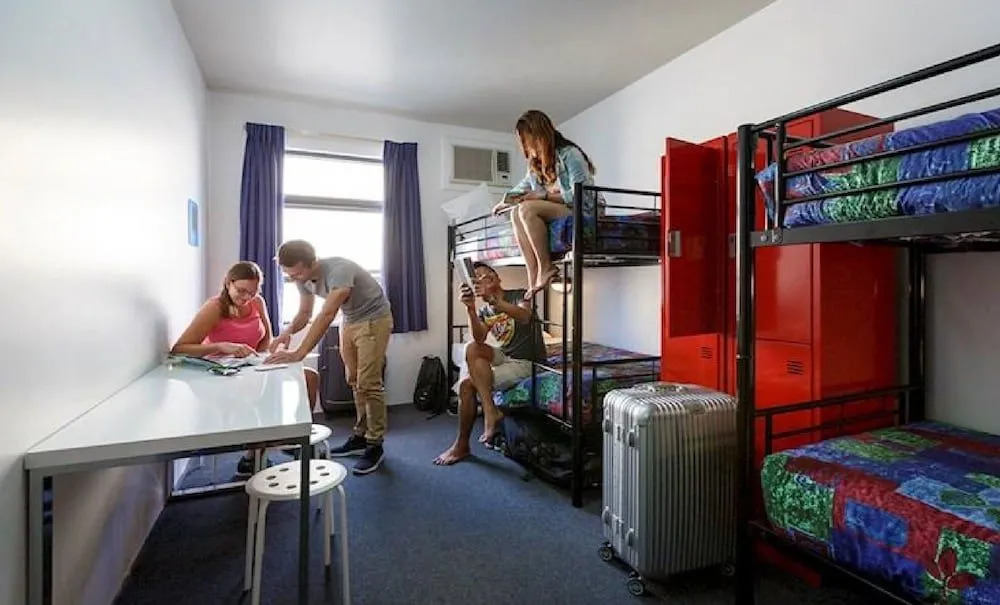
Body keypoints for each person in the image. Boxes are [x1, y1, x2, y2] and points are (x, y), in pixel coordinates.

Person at [170, 261, 320, 476]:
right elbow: (179, 349)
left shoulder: (257, 302)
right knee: (258, 394)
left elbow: (266, 336)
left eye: (252, 292)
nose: (246, 297)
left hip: (251, 365)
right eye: (241, 291)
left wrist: (262, 356)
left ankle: (297, 438)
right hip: (222, 373)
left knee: (309, 377)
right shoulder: (214, 308)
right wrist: (221, 346)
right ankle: (255, 454)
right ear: (228, 283)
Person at [265, 239, 393, 476]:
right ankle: (361, 435)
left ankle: (375, 444)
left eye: (297, 273)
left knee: (369, 383)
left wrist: (300, 352)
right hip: (350, 320)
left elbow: (326, 315)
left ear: (313, 262)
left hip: (374, 320)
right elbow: (305, 313)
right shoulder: (302, 278)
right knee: (354, 380)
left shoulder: (339, 270)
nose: (294, 279)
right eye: (289, 275)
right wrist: (286, 332)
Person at [434, 262, 545, 466]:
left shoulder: (520, 294)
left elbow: (524, 316)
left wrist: (495, 301)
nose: (482, 277)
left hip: (527, 362)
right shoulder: (485, 311)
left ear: (497, 278)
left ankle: (462, 445)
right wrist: (470, 308)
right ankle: (490, 409)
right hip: (506, 356)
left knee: (467, 385)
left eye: (486, 274)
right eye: (476, 277)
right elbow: (479, 338)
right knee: (471, 348)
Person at [497, 109, 600, 300]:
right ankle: (533, 275)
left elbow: (582, 195)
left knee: (527, 208)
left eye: (528, 141)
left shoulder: (570, 154)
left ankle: (546, 267)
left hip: (582, 210)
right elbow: (524, 185)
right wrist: (506, 201)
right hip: (562, 209)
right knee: (515, 213)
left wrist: (543, 196)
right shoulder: (536, 163)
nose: (527, 147)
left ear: (539, 136)